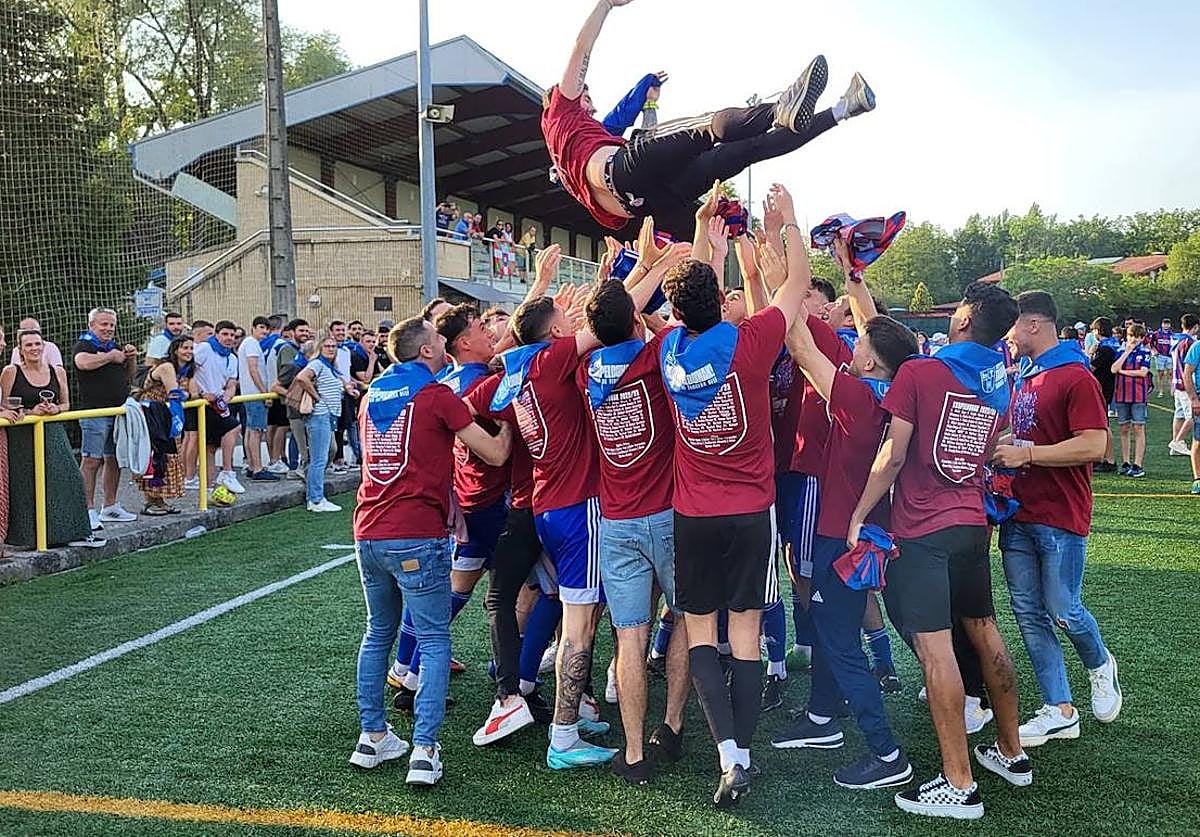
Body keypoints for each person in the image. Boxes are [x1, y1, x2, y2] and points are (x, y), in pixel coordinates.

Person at [847, 281, 1027, 820]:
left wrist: (859, 514)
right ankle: (1012, 753)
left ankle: (959, 783)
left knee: (935, 651)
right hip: (972, 520)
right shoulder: (999, 377)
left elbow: (894, 456)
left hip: (923, 527)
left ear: (967, 319)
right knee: (985, 630)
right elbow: (997, 444)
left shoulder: (921, 372)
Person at [658, 183, 812, 808]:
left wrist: (704, 230)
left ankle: (725, 755)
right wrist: (790, 225)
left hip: (692, 515)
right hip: (750, 513)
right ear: (721, 302)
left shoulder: (670, 350)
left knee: (701, 637)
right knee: (746, 638)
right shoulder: (749, 347)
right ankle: (743, 753)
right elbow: (796, 286)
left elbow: (692, 293)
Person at [768, 246, 915, 791]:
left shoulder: (855, 396)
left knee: (840, 640)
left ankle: (886, 753)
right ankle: (823, 719)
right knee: (836, 629)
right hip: (874, 533)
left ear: (870, 360)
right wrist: (854, 279)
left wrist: (786, 242)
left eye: (861, 344)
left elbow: (799, 343)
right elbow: (872, 327)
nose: (853, 345)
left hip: (842, 535)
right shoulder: (898, 396)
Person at [543, 0, 874, 240]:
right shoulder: (561, 112)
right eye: (584, 94)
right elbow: (580, 48)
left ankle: (845, 108)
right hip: (625, 171)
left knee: (746, 151)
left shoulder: (580, 147)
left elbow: (624, 118)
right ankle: (777, 110)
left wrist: (647, 99)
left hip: (652, 200)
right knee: (706, 128)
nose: (589, 98)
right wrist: (606, 5)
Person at [350, 316, 512, 786]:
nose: (445, 343)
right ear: (425, 351)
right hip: (417, 533)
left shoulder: (372, 395)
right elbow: (495, 454)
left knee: (377, 632)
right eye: (439, 340)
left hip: (368, 531)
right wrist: (504, 422)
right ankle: (424, 750)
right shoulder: (437, 395)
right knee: (435, 638)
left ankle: (372, 736)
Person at [576, 251, 692, 784]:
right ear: (637, 322)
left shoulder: (583, 372)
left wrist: (613, 283)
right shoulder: (655, 359)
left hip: (615, 521)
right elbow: (678, 320)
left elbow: (601, 325)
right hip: (667, 514)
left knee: (629, 637)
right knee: (685, 621)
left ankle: (633, 754)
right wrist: (665, 261)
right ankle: (670, 726)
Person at [994, 291, 1122, 753]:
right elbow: (1030, 432)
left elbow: (1093, 445)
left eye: (1012, 326)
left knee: (1063, 609)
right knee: (1029, 615)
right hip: (1019, 512)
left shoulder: (1074, 376)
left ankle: (1100, 663)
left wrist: (1026, 453)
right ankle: (1059, 710)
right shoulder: (1027, 376)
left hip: (1060, 514)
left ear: (1032, 324)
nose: (1007, 335)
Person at [388, 304, 497, 711]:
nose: (491, 332)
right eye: (483, 327)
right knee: (537, 589)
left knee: (452, 589)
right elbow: (495, 453)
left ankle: (406, 668)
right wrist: (503, 438)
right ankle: (514, 681)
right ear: (461, 343)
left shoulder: (442, 379)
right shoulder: (474, 379)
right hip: (483, 498)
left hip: (461, 498)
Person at [1, 329, 91, 547]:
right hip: (22, 437)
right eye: (29, 345)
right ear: (20, 350)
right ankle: (29, 538)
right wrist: (32, 412)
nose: (34, 348)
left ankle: (71, 532)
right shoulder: (10, 372)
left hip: (52, 433)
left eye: (37, 344)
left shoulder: (56, 372)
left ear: (44, 346)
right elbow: (4, 405)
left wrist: (54, 409)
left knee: (67, 478)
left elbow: (66, 404)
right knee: (25, 485)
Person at [73, 307, 139, 530]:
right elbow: (81, 362)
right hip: (95, 413)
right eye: (104, 324)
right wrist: (110, 357)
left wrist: (129, 359)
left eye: (111, 324)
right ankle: (86, 510)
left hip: (118, 413)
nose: (109, 328)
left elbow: (128, 376)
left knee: (114, 459)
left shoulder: (114, 346)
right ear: (92, 325)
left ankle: (110, 505)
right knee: (91, 461)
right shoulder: (85, 345)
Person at [293, 332, 354, 512]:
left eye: (333, 346)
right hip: (320, 415)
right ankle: (316, 499)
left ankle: (315, 493)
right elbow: (301, 377)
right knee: (319, 459)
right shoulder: (318, 363)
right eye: (327, 346)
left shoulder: (330, 367)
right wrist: (315, 396)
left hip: (329, 416)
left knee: (330, 451)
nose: (331, 349)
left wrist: (348, 389)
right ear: (320, 347)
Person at [135, 336, 191, 515]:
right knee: (156, 456)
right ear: (175, 350)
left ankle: (160, 500)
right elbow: (174, 394)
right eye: (185, 348)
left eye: (191, 348)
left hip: (164, 415)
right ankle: (150, 502)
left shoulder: (185, 370)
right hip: (152, 416)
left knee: (167, 456)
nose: (189, 352)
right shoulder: (166, 367)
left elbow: (191, 393)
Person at [192, 320, 245, 498]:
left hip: (218, 404)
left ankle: (207, 490)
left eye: (233, 336)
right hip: (203, 404)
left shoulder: (232, 358)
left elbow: (231, 384)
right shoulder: (205, 349)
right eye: (225, 334)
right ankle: (227, 471)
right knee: (234, 426)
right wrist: (199, 393)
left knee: (210, 448)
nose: (230, 339)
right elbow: (189, 370)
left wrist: (226, 397)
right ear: (217, 334)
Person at [237, 316, 279, 482]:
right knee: (256, 431)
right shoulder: (252, 344)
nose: (265, 331)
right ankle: (257, 468)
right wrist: (264, 393)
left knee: (250, 430)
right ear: (253, 328)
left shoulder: (249, 344)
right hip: (255, 394)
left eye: (266, 328)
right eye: (261, 327)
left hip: (250, 393)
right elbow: (253, 370)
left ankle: (252, 465)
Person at [1111, 323, 1152, 478]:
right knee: (1123, 428)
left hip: (1138, 395)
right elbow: (1114, 369)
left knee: (1138, 428)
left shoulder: (1145, 352)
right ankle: (1126, 462)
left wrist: (1123, 372)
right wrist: (1127, 352)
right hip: (1121, 395)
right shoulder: (1120, 351)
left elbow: (1143, 372)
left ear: (1142, 338)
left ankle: (1138, 464)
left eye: (1137, 336)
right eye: (1130, 335)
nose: (1133, 339)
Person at [1087, 317, 1119, 472]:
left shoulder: (1105, 349)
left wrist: (1090, 352)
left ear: (1098, 331)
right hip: (1106, 386)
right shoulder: (1113, 345)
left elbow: (1090, 367)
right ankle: (1102, 458)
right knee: (1101, 423)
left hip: (1102, 387)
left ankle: (1110, 460)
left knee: (1103, 425)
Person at [1169, 315, 1199, 457]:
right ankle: (1178, 440)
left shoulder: (1175, 339)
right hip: (1186, 383)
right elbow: (1189, 365)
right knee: (1192, 416)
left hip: (1177, 381)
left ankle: (1176, 443)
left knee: (1179, 414)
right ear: (1195, 327)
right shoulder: (1189, 342)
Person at [1182, 333, 1200, 495]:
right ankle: (1197, 479)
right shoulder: (1197, 346)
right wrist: (1194, 398)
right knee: (1198, 439)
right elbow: (1187, 373)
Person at [1150, 317, 1174, 397]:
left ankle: (1172, 391)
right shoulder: (1156, 334)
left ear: (1170, 325)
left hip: (1169, 356)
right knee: (1161, 374)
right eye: (1164, 324)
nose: (1166, 326)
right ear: (1162, 324)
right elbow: (1151, 343)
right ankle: (1161, 391)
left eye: (1167, 324)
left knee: (1171, 373)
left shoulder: (1172, 334)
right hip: (1160, 355)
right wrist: (1154, 351)